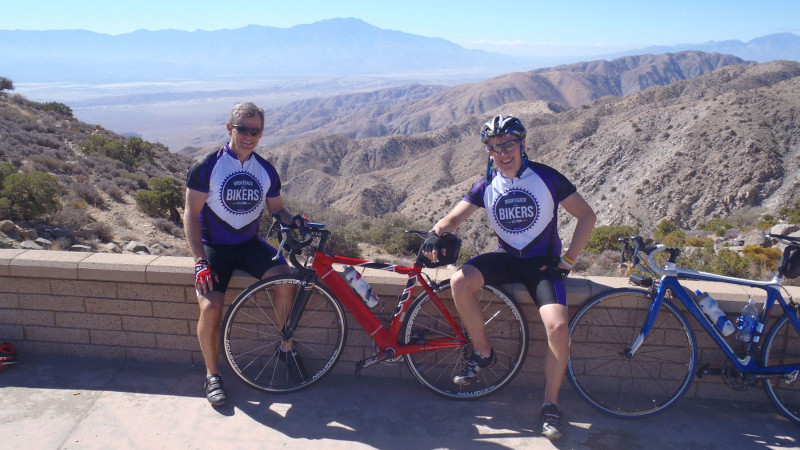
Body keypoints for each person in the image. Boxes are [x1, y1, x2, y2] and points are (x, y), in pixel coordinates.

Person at [422, 115, 596, 440]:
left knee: (558, 327)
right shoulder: (486, 184)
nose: (502, 152)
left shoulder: (546, 177)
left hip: (541, 264)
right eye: (494, 147)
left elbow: (587, 215)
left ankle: (550, 404)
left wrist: (569, 259)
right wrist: (435, 233)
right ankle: (483, 353)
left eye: (508, 144)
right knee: (460, 281)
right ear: (488, 152)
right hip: (507, 259)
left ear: (522, 145)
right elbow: (452, 219)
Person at [184, 102, 305, 407]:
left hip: (249, 243)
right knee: (211, 307)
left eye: (256, 130)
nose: (250, 136)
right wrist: (200, 261)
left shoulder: (265, 170)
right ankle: (213, 375)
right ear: (230, 129)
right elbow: (190, 214)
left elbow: (277, 210)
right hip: (215, 247)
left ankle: (285, 346)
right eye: (243, 129)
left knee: (286, 282)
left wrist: (294, 220)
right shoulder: (206, 166)